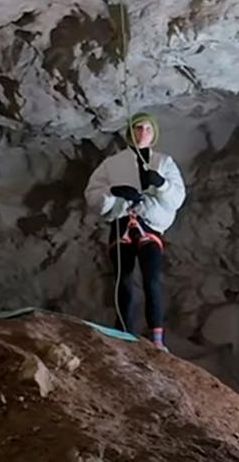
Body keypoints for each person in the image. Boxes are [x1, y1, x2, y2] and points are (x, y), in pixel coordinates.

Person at [83, 113, 186, 351]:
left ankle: (157, 339)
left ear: (154, 134)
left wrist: (162, 184)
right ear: (130, 133)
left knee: (151, 279)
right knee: (123, 279)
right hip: (121, 223)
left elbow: (178, 198)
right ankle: (123, 333)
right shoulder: (112, 164)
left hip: (150, 225)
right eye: (138, 128)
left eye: (148, 129)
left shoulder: (164, 162)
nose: (142, 133)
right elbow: (93, 195)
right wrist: (113, 192)